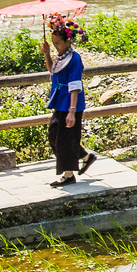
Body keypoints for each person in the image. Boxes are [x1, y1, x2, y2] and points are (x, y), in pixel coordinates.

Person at [44, 12, 94, 186]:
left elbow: (75, 85)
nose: (55, 46)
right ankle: (85, 157)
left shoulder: (74, 59)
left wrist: (72, 111)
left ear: (68, 41)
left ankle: (68, 175)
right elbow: (52, 70)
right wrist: (47, 54)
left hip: (71, 103)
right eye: (53, 43)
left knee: (64, 140)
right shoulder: (61, 56)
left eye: (58, 43)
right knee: (54, 135)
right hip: (60, 100)